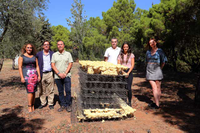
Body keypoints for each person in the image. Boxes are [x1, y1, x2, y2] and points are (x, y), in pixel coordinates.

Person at [51, 40, 73, 112]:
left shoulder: (68, 54)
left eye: (61, 44)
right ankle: (62, 105)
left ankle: (68, 105)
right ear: (57, 46)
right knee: (60, 91)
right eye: (58, 44)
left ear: (63, 45)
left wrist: (65, 73)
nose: (59, 46)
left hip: (67, 76)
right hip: (58, 77)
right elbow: (52, 65)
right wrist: (59, 73)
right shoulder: (54, 55)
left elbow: (70, 64)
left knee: (68, 91)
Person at [145, 38, 167, 109]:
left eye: (153, 42)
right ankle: (157, 104)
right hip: (149, 70)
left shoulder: (160, 51)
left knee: (158, 88)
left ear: (156, 43)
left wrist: (160, 68)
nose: (152, 44)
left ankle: (157, 103)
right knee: (154, 88)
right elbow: (146, 61)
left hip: (157, 69)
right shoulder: (148, 52)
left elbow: (163, 61)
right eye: (150, 43)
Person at [18, 43, 41, 112]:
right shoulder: (22, 57)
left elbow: (37, 66)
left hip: (34, 75)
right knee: (30, 91)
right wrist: (22, 77)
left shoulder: (34, 57)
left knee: (34, 91)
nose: (29, 49)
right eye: (28, 47)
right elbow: (20, 67)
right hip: (27, 76)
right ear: (25, 48)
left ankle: (33, 104)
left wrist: (39, 75)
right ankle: (29, 106)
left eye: (30, 48)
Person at [36, 41, 54, 110]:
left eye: (47, 45)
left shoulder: (52, 54)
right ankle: (43, 103)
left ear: (49, 46)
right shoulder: (39, 54)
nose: (46, 46)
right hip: (41, 74)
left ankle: (50, 103)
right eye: (45, 45)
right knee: (41, 89)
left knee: (51, 89)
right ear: (43, 46)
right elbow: (36, 63)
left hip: (50, 73)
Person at [118, 42, 135, 106]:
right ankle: (124, 101)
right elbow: (119, 64)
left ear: (128, 48)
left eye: (127, 47)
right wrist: (123, 72)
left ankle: (129, 101)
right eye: (124, 47)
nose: (126, 48)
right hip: (122, 71)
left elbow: (132, 65)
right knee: (123, 88)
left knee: (129, 88)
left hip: (129, 71)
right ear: (122, 47)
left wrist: (128, 72)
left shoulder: (131, 55)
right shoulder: (120, 55)